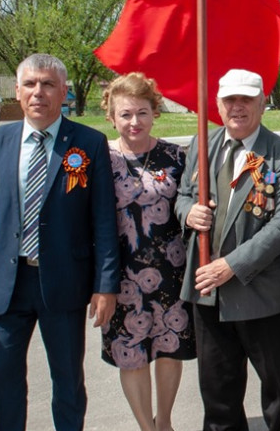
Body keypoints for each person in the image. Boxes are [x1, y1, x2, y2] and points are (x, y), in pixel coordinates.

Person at [0, 53, 119, 430]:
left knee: (67, 382)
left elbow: (103, 220)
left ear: (64, 92)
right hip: (6, 282)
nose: (39, 92)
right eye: (30, 84)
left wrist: (105, 286)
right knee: (3, 382)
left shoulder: (89, 143)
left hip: (63, 282)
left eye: (48, 84)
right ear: (16, 91)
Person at [175, 69, 280, 431]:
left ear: (263, 103)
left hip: (263, 294)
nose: (238, 107)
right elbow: (184, 195)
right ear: (218, 104)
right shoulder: (203, 145)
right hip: (209, 294)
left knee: (278, 394)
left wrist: (230, 265)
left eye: (247, 99)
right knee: (218, 394)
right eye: (230, 100)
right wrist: (188, 213)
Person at [100, 73, 194, 431]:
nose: (134, 121)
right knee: (131, 353)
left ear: (155, 112)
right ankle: (146, 426)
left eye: (142, 112)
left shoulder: (176, 156)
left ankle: (165, 422)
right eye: (125, 114)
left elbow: (190, 205)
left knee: (169, 349)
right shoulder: (100, 160)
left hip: (170, 270)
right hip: (120, 276)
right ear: (111, 116)